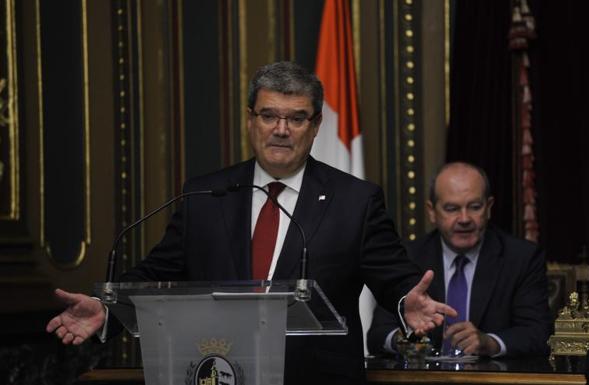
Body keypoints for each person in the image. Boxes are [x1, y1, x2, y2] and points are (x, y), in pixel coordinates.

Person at [46, 62, 455, 385]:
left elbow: (393, 276)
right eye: (269, 116)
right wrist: (107, 308)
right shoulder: (203, 196)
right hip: (219, 373)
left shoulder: (355, 200)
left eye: (296, 119)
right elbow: (157, 274)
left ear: (314, 127)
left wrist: (407, 302)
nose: (281, 130)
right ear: (250, 119)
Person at [367, 162, 553, 357]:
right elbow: (378, 335)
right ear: (432, 211)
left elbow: (539, 333)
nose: (464, 219)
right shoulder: (407, 257)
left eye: (474, 207)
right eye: (452, 208)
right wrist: (403, 339)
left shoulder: (522, 258)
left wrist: (490, 343)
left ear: (488, 208)